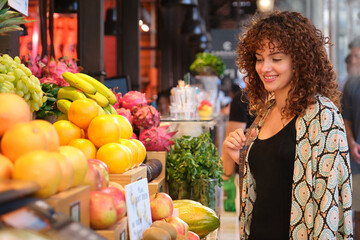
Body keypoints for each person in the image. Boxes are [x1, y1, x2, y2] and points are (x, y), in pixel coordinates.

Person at [222, 11, 353, 239]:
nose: (265, 68)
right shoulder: (264, 111)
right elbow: (268, 180)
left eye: (276, 58)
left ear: (299, 60)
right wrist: (240, 156)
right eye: (259, 58)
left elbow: (330, 202)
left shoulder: (322, 115)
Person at [342, 36, 360, 239]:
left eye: (357, 57)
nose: (353, 61)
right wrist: (352, 141)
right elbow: (346, 117)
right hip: (356, 161)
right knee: (356, 213)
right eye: (352, 57)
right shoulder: (351, 85)